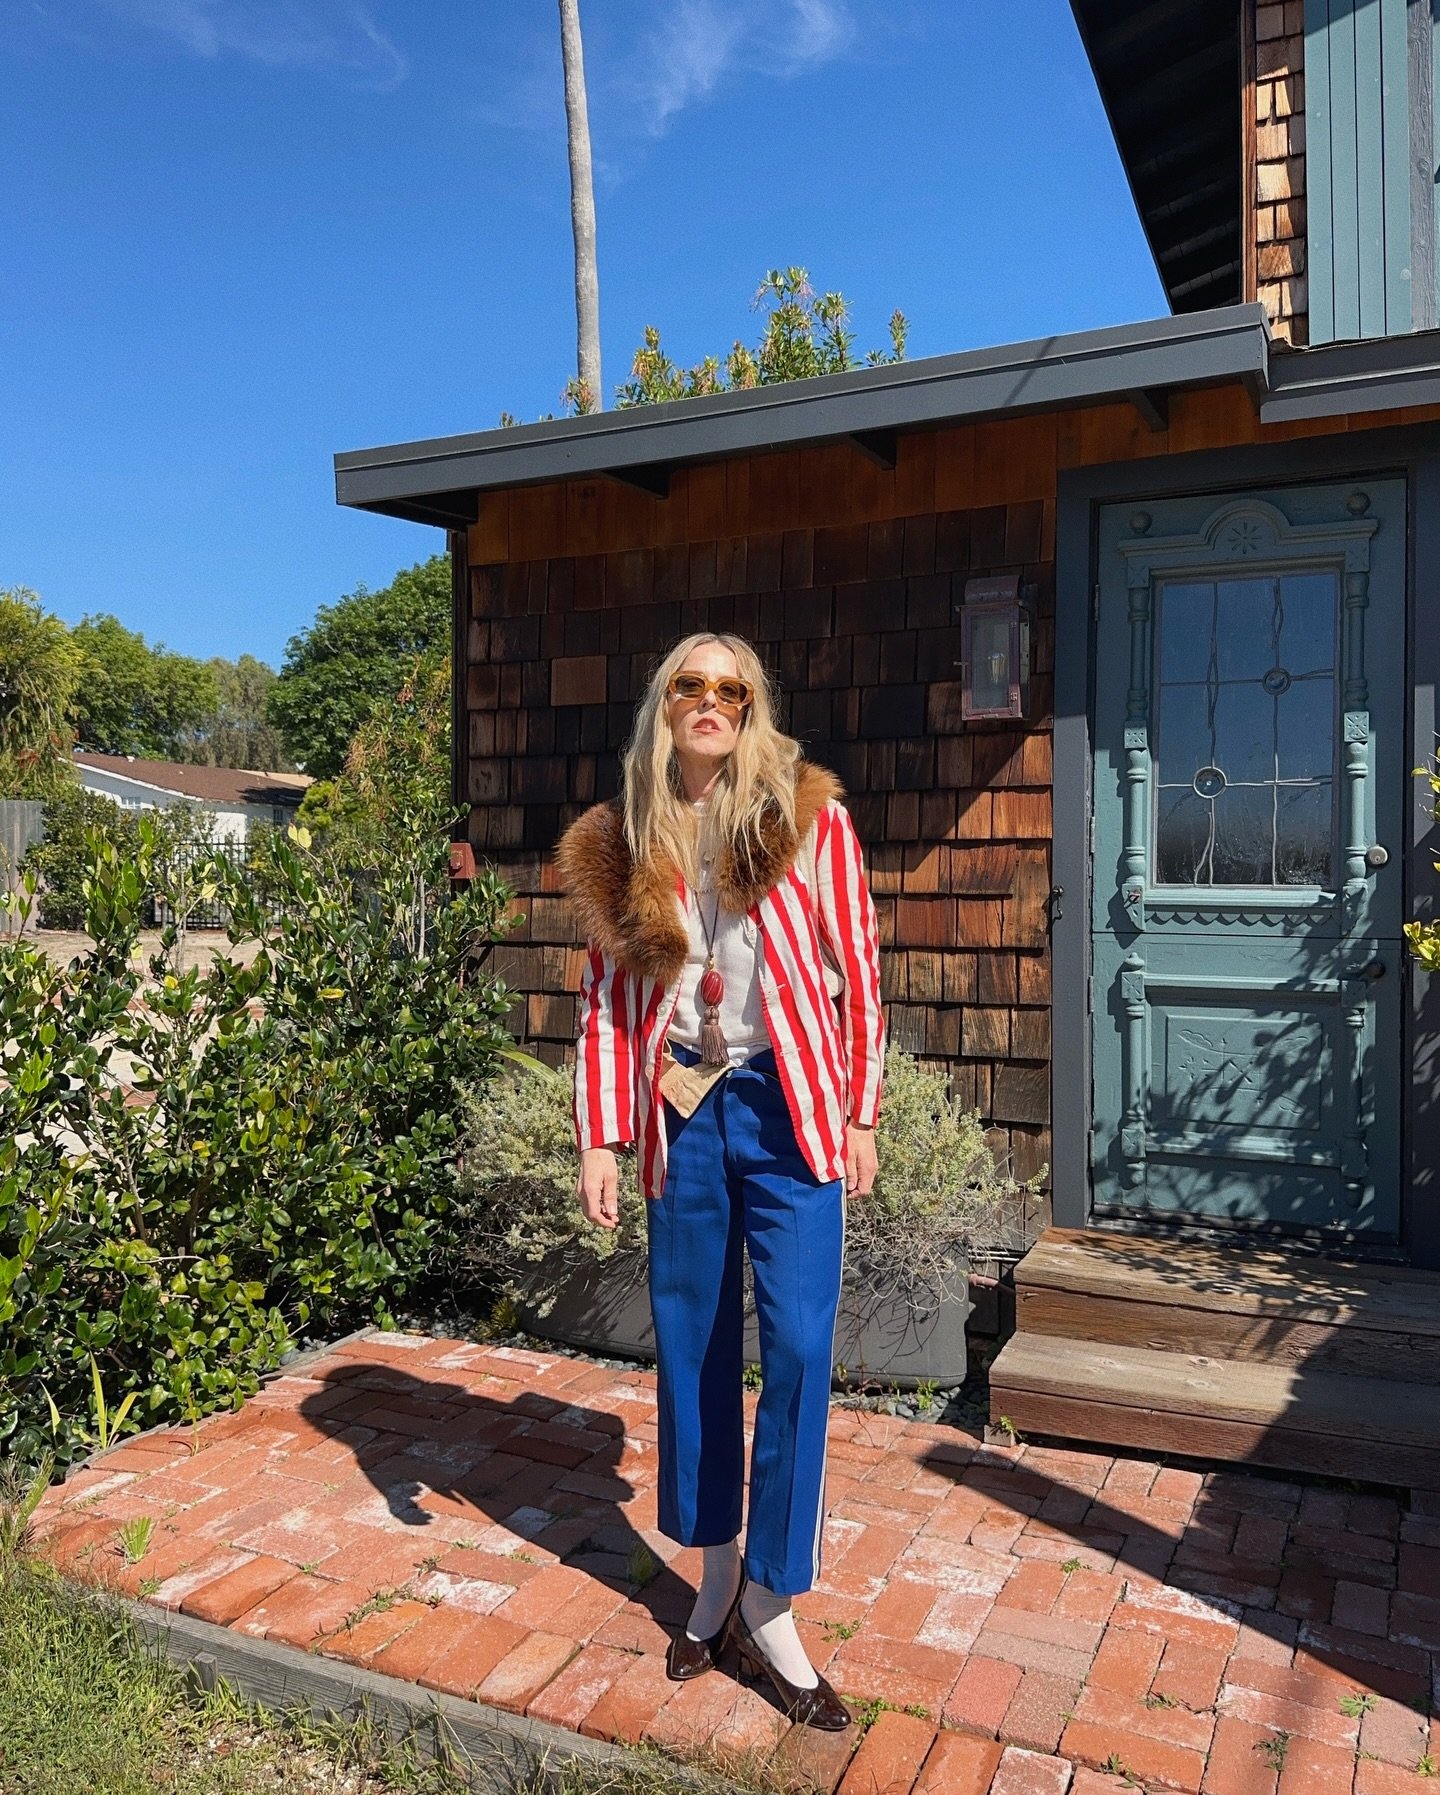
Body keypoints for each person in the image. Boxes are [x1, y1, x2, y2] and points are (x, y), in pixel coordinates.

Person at [555, 631, 884, 1730]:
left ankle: (774, 1598)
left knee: (796, 1343)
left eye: (729, 688)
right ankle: (713, 1571)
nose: (710, 702)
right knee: (692, 1345)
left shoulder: (804, 819)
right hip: (680, 1114)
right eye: (689, 686)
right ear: (665, 705)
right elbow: (606, 1001)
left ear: (753, 707)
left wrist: (862, 1109)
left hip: (790, 1107)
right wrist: (600, 1136)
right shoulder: (626, 841)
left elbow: (856, 968)